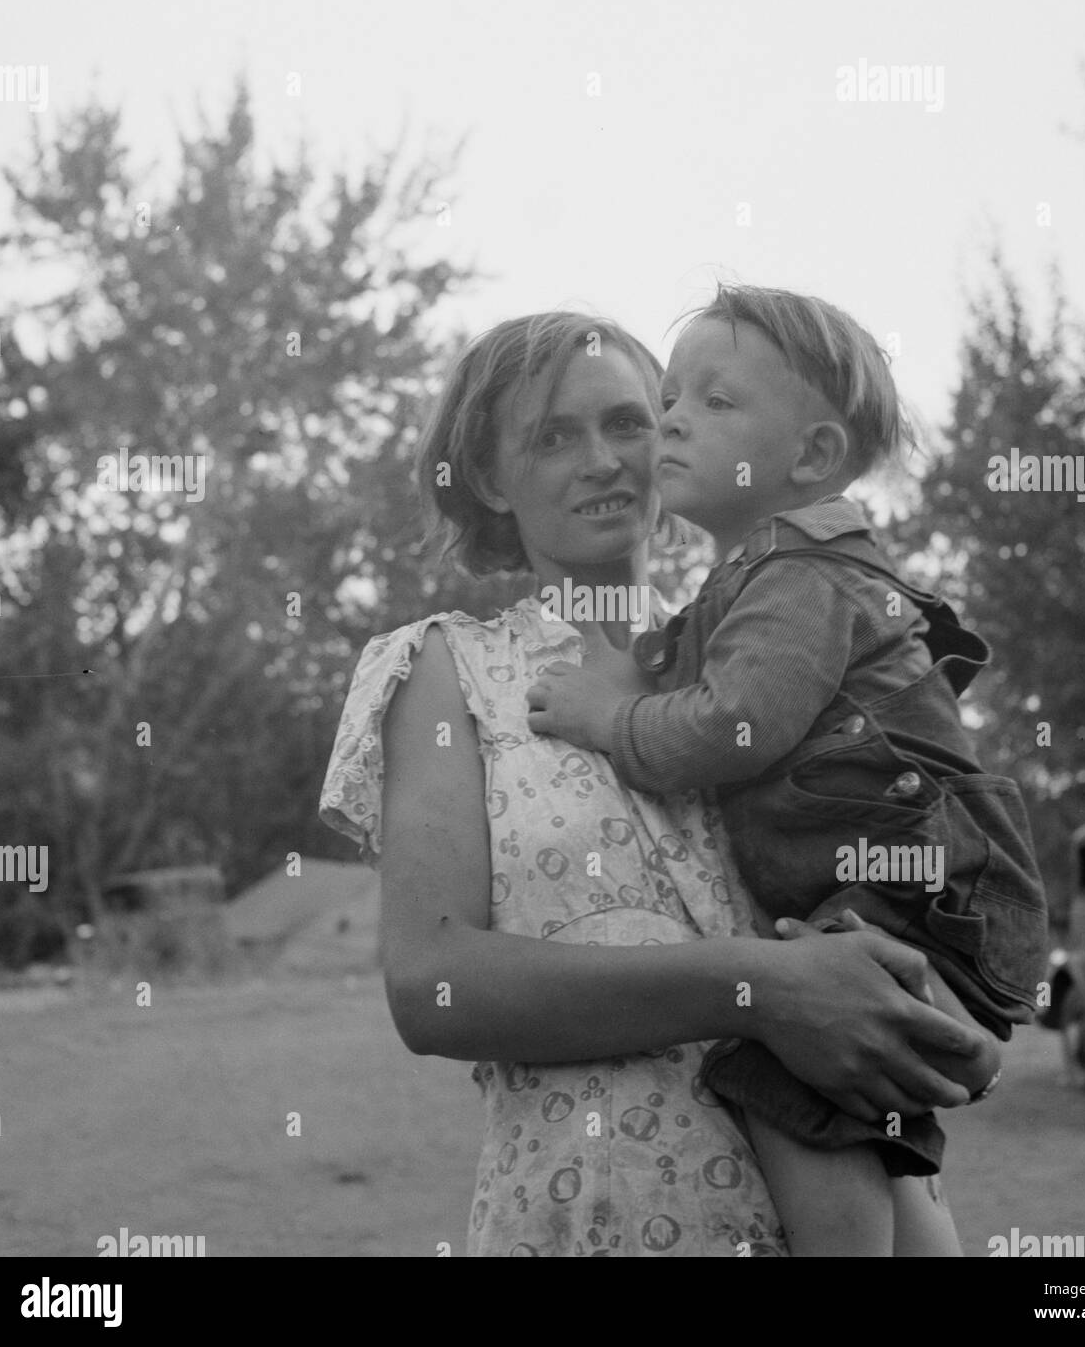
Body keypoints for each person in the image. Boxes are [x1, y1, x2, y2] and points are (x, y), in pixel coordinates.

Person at [319, 310, 994, 1257]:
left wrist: (936, 1007)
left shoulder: (765, 660)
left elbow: (897, 880)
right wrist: (759, 988)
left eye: (629, 422)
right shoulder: (445, 671)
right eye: (553, 435)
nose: (603, 461)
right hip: (583, 1219)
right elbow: (432, 986)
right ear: (486, 476)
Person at [526, 286, 1048, 1256]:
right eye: (673, 395)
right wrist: (630, 668)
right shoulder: (750, 582)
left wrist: (610, 717)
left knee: (787, 1083)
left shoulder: (802, 579)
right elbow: (688, 668)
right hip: (898, 894)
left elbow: (730, 728)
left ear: (808, 458)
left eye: (716, 403)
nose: (675, 415)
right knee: (852, 1108)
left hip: (923, 885)